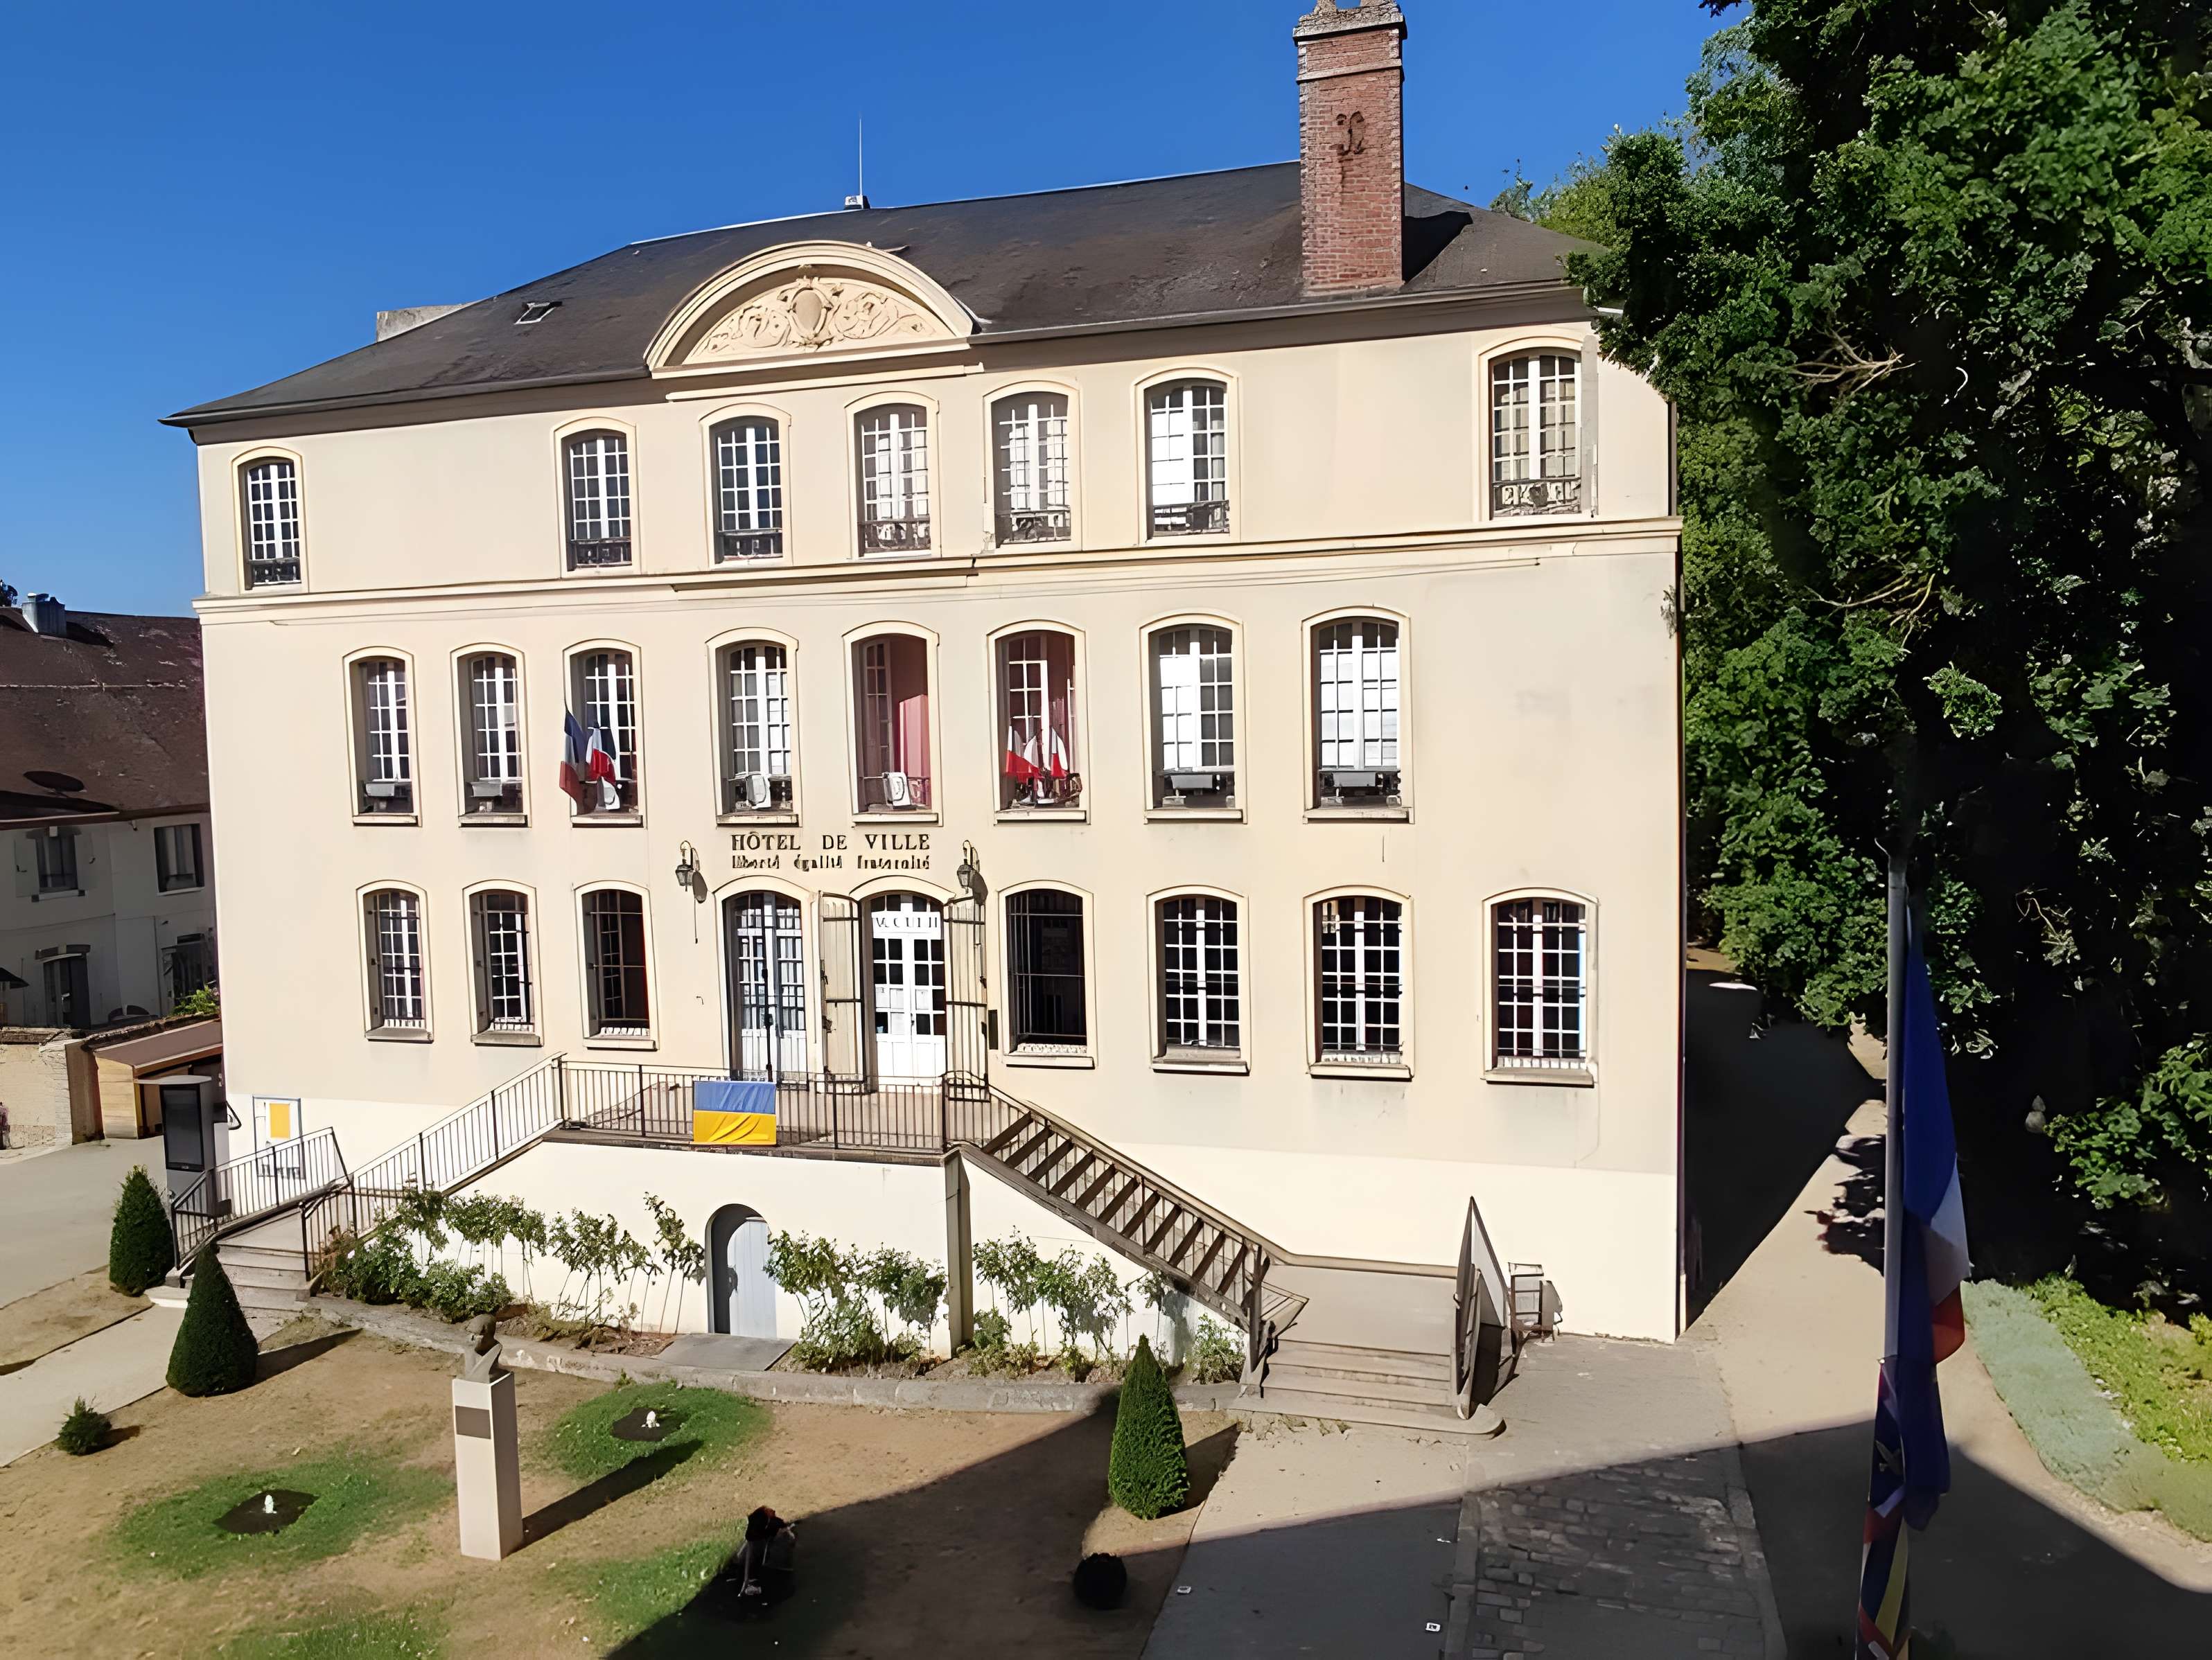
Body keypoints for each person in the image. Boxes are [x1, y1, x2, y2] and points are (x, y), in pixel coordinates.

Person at [733, 1506, 796, 1612]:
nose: (774, 1512)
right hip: (759, 1541)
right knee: (755, 1558)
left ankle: (751, 1583)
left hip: (760, 1540)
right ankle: (751, 1583)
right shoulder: (764, 1524)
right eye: (770, 1511)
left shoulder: (770, 1524)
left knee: (756, 1557)